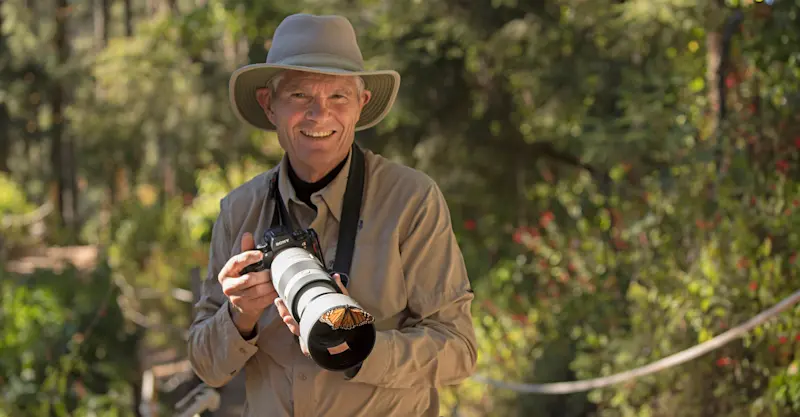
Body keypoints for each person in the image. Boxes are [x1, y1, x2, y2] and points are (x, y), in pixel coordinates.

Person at [187, 13, 478, 417]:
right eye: (300, 96)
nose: (319, 114)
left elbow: (459, 350)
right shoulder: (240, 210)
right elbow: (206, 366)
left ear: (361, 105)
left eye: (338, 97)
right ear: (269, 105)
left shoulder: (411, 201)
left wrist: (359, 348)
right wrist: (240, 317)